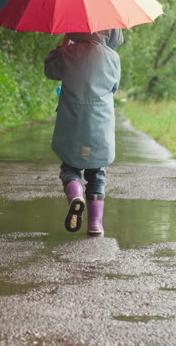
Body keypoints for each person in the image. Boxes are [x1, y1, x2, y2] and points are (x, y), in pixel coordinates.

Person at [44, 29, 123, 236]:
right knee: (97, 174)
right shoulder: (112, 57)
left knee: (70, 166)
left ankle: (75, 195)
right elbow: (114, 87)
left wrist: (62, 46)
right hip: (100, 123)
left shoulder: (67, 53)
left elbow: (50, 72)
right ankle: (95, 225)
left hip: (72, 121)